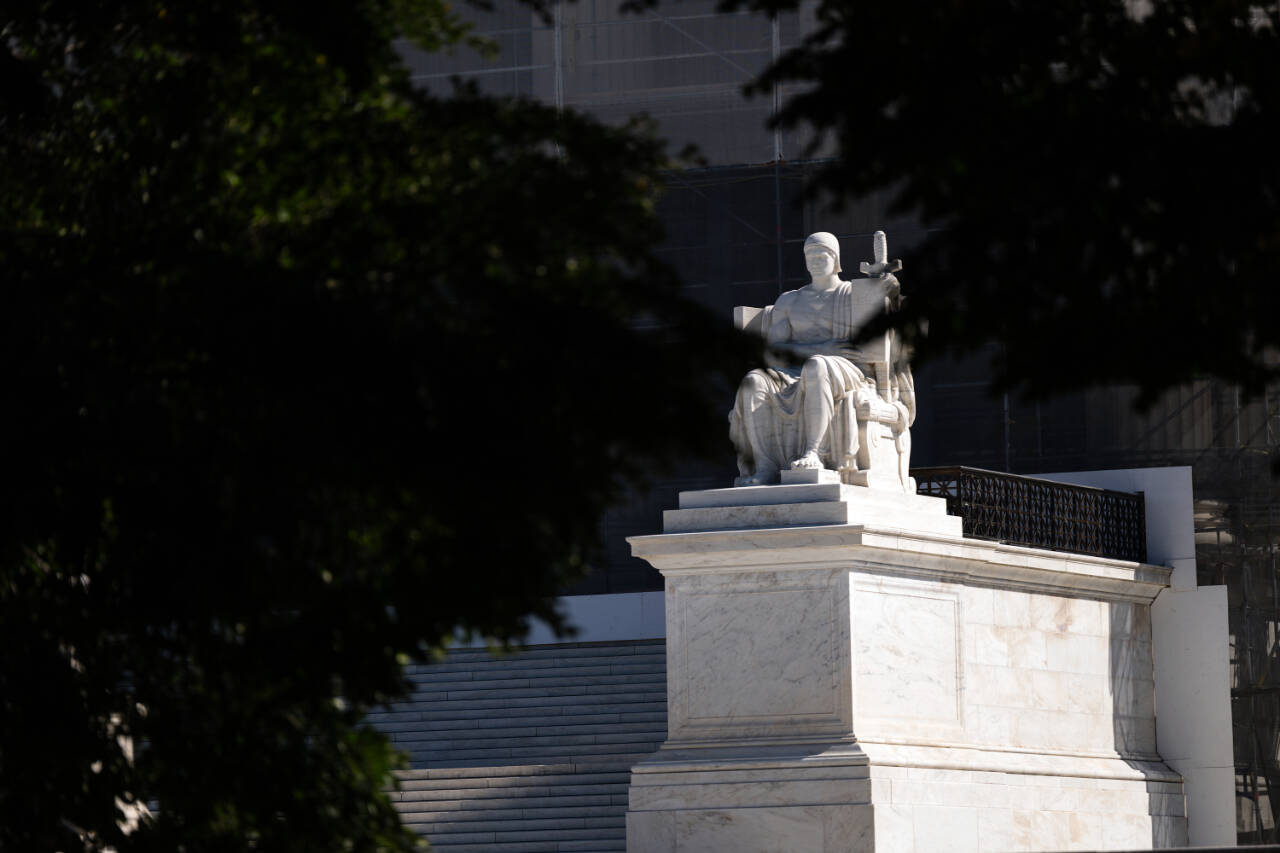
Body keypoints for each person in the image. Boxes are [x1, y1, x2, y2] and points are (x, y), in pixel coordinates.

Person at [729, 231, 915, 487]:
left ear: (836, 258)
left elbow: (890, 314)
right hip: (793, 371)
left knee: (817, 366)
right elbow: (773, 350)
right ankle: (765, 466)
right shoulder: (789, 301)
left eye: (822, 254)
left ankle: (813, 453)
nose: (815, 260)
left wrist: (886, 288)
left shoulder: (853, 294)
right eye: (810, 255)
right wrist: (824, 347)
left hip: (849, 371)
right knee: (754, 380)